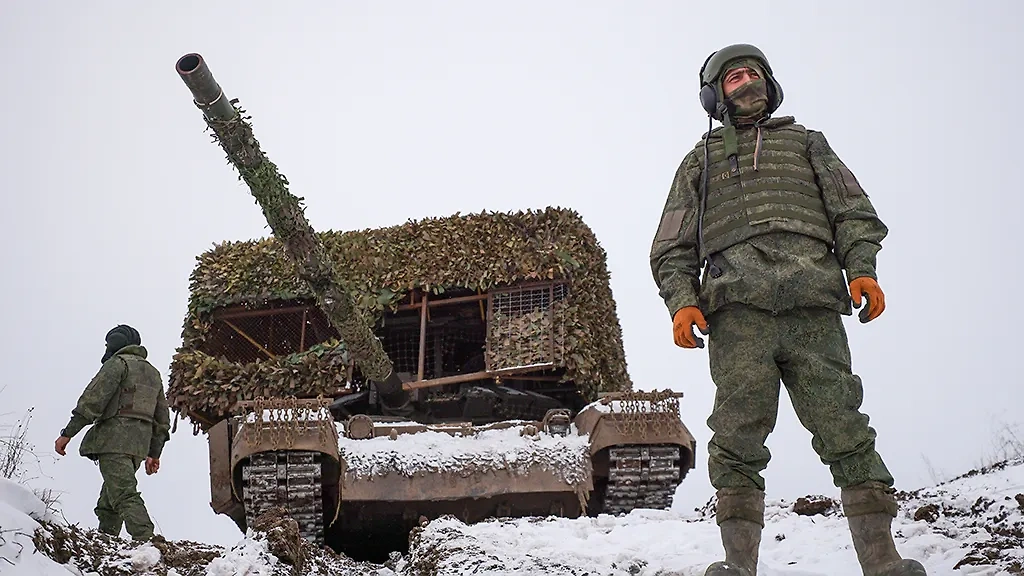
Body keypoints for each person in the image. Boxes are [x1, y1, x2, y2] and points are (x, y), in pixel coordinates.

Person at [649, 44, 926, 576]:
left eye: (753, 72)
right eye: (733, 77)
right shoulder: (699, 161)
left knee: (844, 424)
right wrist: (681, 303)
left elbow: (852, 212)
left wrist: (862, 267)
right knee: (736, 434)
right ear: (714, 96)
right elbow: (672, 246)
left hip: (812, 305)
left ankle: (883, 561)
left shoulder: (807, 143)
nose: (745, 81)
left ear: (770, 83)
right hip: (737, 313)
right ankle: (737, 565)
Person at [54, 324, 171, 541]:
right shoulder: (153, 373)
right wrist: (154, 453)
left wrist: (67, 433)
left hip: (114, 441)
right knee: (109, 499)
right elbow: (162, 419)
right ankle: (107, 541)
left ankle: (147, 539)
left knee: (123, 493)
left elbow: (92, 401)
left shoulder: (117, 365)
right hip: (138, 447)